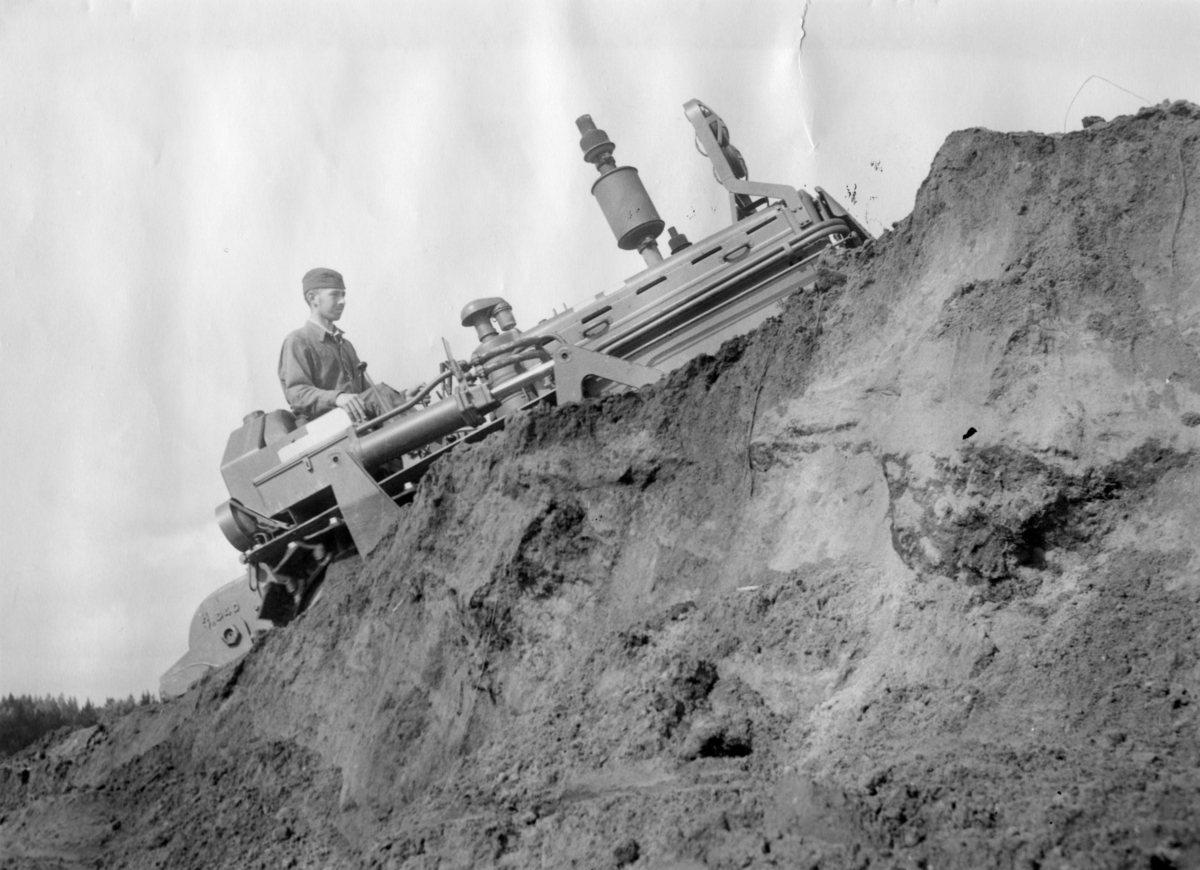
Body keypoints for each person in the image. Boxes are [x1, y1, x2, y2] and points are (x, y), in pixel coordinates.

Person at [278, 267, 400, 425]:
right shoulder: (297, 341)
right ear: (312, 298)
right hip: (324, 427)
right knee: (383, 393)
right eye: (334, 295)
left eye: (343, 295)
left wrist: (401, 398)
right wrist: (337, 398)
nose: (342, 301)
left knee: (385, 394)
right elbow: (296, 393)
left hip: (358, 420)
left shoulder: (345, 345)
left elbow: (368, 394)